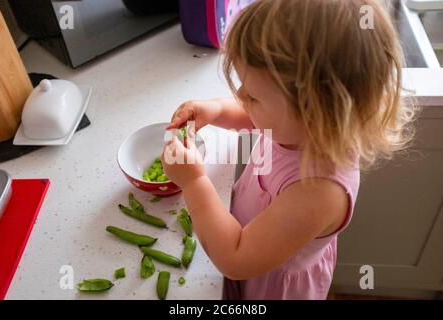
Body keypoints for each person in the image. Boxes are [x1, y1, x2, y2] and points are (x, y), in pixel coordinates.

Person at [161, 0, 415, 299]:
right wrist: (216, 111)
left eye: (253, 95)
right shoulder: (299, 127)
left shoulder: (319, 192)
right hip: (250, 240)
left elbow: (236, 258)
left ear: (313, 112)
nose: (241, 95)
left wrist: (193, 182)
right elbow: (256, 119)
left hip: (271, 285)